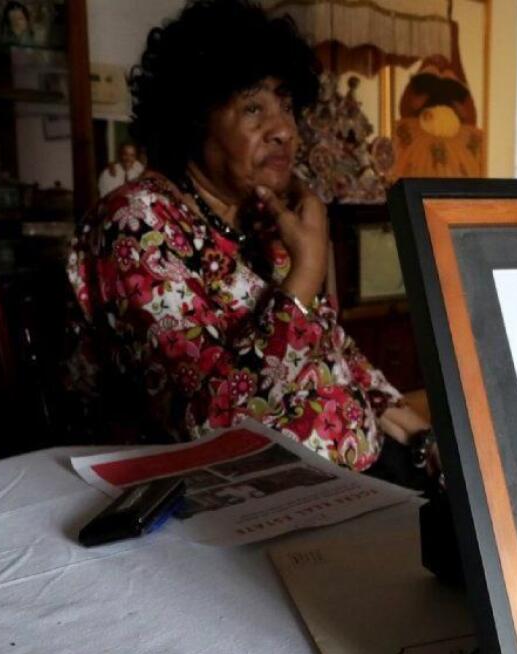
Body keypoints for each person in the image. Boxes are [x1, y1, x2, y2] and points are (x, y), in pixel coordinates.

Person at [64, 0, 433, 486]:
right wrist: (306, 272)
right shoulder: (136, 224)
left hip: (363, 471)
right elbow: (214, 427)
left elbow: (333, 353)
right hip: (251, 499)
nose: (284, 130)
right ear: (194, 117)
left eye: (285, 104)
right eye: (254, 108)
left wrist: (422, 439)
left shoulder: (261, 219)